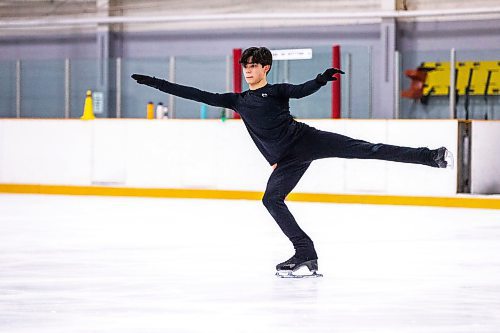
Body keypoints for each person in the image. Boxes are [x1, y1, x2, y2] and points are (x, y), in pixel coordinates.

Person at [132, 46, 453, 277]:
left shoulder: (277, 91)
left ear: (266, 68)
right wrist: (156, 83)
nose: (249, 70)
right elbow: (194, 93)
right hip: (286, 160)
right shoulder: (237, 101)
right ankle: (305, 252)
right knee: (271, 200)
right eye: (246, 65)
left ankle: (430, 156)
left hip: (306, 140)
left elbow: (301, 90)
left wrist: (321, 79)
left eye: (255, 65)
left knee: (366, 149)